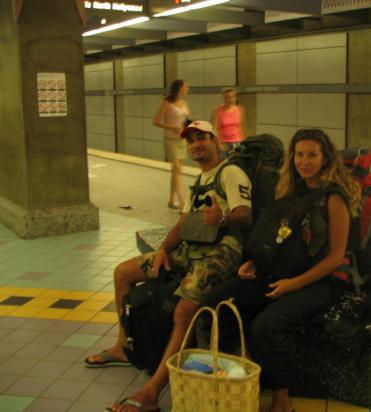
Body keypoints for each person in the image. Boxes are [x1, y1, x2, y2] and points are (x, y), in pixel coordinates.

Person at [84, 121, 253, 412]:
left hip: (220, 253)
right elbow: (182, 224)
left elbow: (245, 215)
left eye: (202, 138)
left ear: (215, 141)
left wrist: (222, 218)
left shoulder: (230, 172)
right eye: (191, 140)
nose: (196, 144)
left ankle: (151, 394)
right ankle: (124, 346)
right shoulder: (198, 180)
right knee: (123, 272)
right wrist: (162, 250)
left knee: (184, 311)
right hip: (191, 249)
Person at [200, 128, 361, 412]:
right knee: (216, 302)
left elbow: (336, 257)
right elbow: (279, 236)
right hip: (283, 272)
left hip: (321, 282)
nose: (304, 161)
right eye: (299, 155)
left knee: (267, 325)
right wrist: (256, 262)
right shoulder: (292, 190)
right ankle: (235, 372)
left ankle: (282, 400)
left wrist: (294, 284)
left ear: (325, 158)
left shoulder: (334, 198)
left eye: (312, 155)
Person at [153, 79, 190, 210]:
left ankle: (171, 200)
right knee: (178, 169)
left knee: (176, 171)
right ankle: (183, 202)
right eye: (186, 86)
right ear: (179, 88)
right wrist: (172, 127)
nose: (187, 88)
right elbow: (156, 121)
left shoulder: (184, 103)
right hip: (170, 139)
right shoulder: (167, 103)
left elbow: (184, 120)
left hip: (182, 139)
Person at [210, 87, 245, 152]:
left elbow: (240, 127)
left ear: (235, 98)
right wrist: (219, 143)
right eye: (227, 98)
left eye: (232, 97)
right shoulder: (217, 110)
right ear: (224, 98)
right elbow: (214, 129)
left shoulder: (239, 109)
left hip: (238, 141)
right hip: (224, 143)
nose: (230, 100)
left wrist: (243, 141)